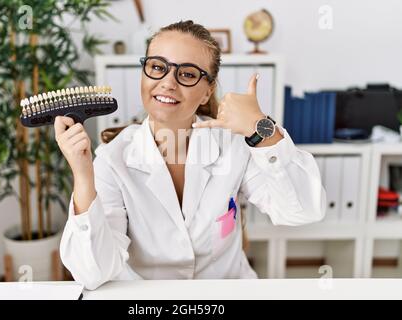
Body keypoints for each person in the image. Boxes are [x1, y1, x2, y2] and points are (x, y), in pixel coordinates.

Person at [55, 20, 326, 290]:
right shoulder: (112, 160)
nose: (168, 83)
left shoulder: (233, 146)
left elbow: (303, 211)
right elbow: (92, 272)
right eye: (157, 67)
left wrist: (263, 130)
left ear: (208, 89)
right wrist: (82, 174)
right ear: (144, 72)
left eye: (187, 74)